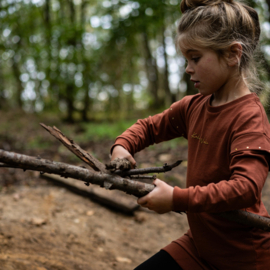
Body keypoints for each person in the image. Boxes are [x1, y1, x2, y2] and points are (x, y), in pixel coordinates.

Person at [110, 0, 270, 269]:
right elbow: (149, 127)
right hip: (199, 246)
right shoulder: (193, 106)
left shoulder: (249, 117)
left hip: (242, 258)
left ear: (232, 54)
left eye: (195, 58)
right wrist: (122, 147)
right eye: (186, 59)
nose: (188, 68)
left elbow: (245, 188)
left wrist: (176, 198)